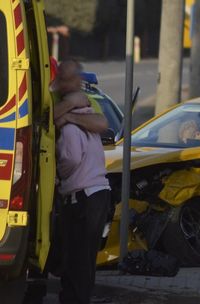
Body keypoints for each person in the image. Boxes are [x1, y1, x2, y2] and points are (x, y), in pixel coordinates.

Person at [53, 59, 111, 304]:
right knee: (84, 260)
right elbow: (46, 118)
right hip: (98, 193)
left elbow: (101, 124)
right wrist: (67, 108)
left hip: (83, 198)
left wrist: (59, 174)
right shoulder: (60, 100)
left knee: (77, 259)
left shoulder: (84, 108)